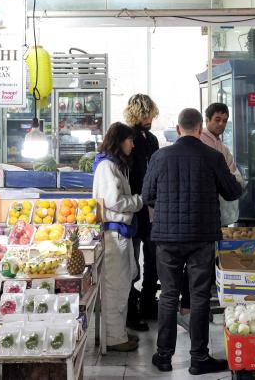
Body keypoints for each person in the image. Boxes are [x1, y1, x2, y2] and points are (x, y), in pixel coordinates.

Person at [142, 109, 242, 375]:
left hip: (167, 238)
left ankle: (163, 356)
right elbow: (233, 192)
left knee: (168, 296)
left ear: (178, 129)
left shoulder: (160, 156)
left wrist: (168, 207)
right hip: (202, 236)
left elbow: (147, 195)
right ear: (200, 129)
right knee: (198, 297)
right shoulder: (213, 156)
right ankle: (199, 358)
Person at [178, 103, 245, 329]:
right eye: (217, 119)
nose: (221, 124)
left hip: (211, 217)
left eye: (225, 120)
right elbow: (230, 182)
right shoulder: (204, 147)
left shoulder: (221, 147)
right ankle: (191, 313)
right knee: (195, 269)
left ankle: (194, 312)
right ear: (204, 121)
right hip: (199, 219)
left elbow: (235, 177)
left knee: (201, 269)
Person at [92, 122, 144, 352]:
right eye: (129, 140)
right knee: (115, 288)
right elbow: (114, 201)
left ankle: (117, 332)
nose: (132, 144)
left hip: (120, 234)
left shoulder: (115, 165)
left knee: (123, 284)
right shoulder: (106, 166)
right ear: (119, 141)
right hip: (113, 236)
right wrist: (139, 200)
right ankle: (113, 338)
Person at [123, 94, 160, 331]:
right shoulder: (127, 138)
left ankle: (147, 301)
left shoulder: (152, 139)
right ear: (136, 113)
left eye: (151, 114)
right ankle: (131, 308)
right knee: (132, 259)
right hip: (135, 206)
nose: (150, 119)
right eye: (146, 114)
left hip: (150, 206)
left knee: (151, 255)